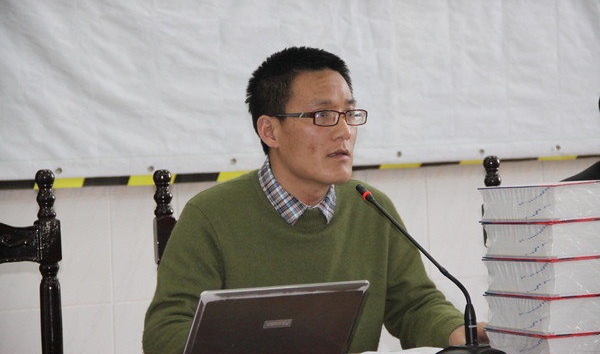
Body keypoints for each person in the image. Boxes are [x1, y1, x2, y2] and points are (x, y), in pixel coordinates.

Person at [143, 46, 487, 353]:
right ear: (269, 131)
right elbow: (166, 332)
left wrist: (461, 333)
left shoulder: (370, 206)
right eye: (322, 116)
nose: (345, 132)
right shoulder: (210, 216)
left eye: (349, 114)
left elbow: (414, 305)